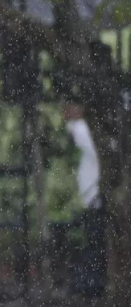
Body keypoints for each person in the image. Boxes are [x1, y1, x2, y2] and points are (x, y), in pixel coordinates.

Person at [64, 103, 105, 295]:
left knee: (96, 244)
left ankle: (93, 285)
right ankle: (91, 285)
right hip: (94, 200)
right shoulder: (89, 131)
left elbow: (77, 128)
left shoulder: (90, 131)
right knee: (93, 243)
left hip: (99, 199)